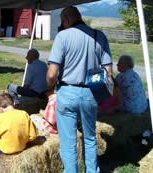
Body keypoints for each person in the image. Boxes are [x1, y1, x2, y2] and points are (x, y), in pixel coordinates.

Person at [46, 6, 112, 173]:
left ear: (67, 20)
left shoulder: (62, 36)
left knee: (68, 142)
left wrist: (50, 86)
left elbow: (52, 73)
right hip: (90, 93)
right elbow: (109, 72)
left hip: (67, 92)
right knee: (90, 138)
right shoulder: (99, 36)